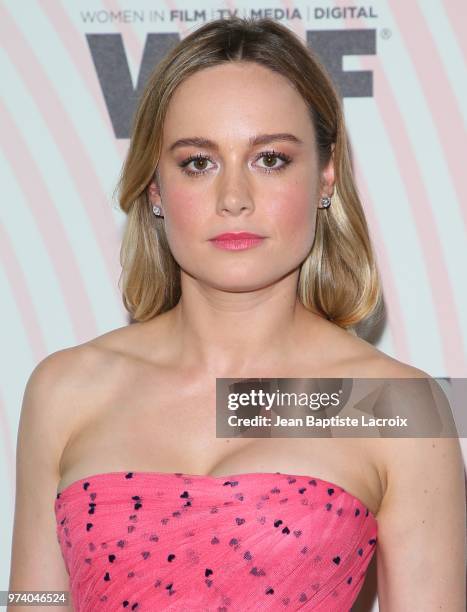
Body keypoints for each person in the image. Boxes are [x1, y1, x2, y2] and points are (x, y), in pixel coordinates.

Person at [8, 16, 465, 612]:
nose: (233, 198)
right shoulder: (65, 389)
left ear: (326, 175)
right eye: (198, 162)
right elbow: (33, 600)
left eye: (270, 159)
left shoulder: (391, 403)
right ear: (154, 189)